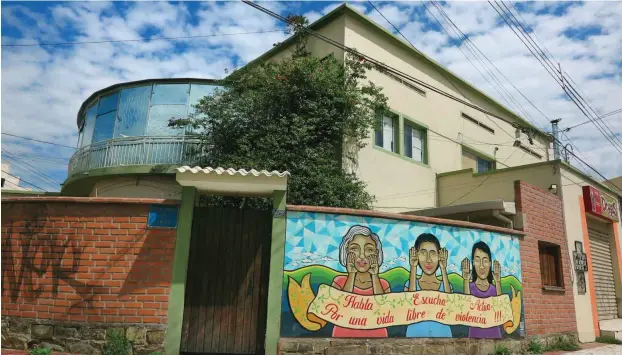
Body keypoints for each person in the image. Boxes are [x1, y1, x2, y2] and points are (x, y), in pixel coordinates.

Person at [331, 225, 390, 338]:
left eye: (369, 249)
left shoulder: (383, 285)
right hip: (342, 337)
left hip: (378, 338)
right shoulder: (339, 282)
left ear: (377, 253)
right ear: (346, 250)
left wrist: (375, 276)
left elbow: (384, 312)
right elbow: (340, 311)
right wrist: (351, 274)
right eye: (354, 248)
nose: (362, 256)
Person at [404, 233, 453, 338]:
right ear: (416, 254)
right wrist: (413, 267)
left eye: (433, 253)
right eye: (423, 253)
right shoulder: (410, 284)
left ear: (439, 256)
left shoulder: (446, 286)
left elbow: (450, 307)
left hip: (444, 337)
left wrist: (443, 268)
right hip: (413, 339)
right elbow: (410, 306)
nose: (428, 260)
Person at [462, 241, 503, 339]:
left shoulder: (494, 289)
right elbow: (466, 309)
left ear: (489, 263)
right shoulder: (470, 287)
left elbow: (501, 309)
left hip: (495, 336)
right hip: (474, 337)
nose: (481, 266)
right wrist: (465, 280)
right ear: (472, 262)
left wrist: (497, 282)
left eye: (485, 260)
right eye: (477, 260)